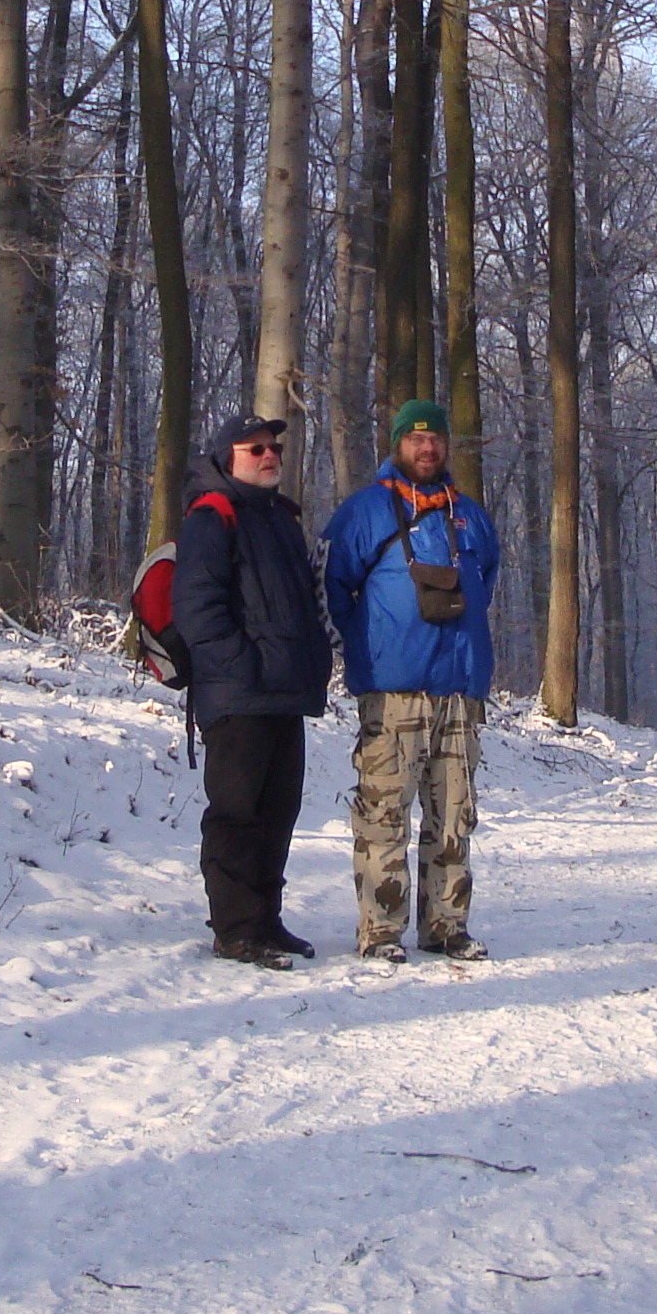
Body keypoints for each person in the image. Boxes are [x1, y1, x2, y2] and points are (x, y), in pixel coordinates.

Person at [322, 399, 503, 961]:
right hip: (393, 692)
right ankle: (380, 930)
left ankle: (447, 926)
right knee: (384, 813)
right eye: (416, 439)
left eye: (436, 439)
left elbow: (486, 580)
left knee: (454, 814)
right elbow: (331, 587)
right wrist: (367, 647)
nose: (427, 448)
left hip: (459, 690)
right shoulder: (365, 511)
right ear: (397, 444)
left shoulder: (469, 516)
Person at [169, 413, 333, 970]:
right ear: (227, 457)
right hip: (239, 697)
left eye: (274, 448)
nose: (270, 456)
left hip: (283, 693)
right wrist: (241, 667)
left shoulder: (281, 518)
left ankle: (266, 921)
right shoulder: (211, 517)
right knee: (237, 814)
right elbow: (196, 609)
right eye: (255, 448)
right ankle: (235, 928)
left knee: (278, 813)